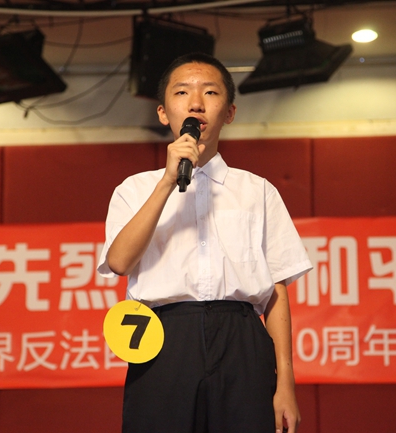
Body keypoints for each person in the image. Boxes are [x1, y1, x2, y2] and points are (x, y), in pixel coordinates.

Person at [98, 52, 312, 433]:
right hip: (162, 341)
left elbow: (276, 290)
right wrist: (167, 181)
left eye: (210, 92)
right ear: (163, 113)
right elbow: (119, 262)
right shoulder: (135, 189)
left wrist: (286, 383)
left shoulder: (257, 191)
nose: (196, 103)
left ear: (229, 112)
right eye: (182, 92)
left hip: (241, 340)